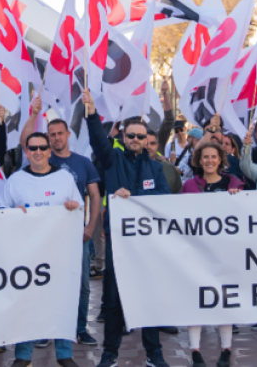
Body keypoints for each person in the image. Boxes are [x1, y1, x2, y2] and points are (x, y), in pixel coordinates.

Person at [84, 90, 172, 367]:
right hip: (118, 245)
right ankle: (109, 354)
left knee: (149, 299)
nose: (135, 140)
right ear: (123, 137)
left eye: (140, 136)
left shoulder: (156, 168)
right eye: (130, 135)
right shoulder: (112, 160)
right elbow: (98, 140)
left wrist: (134, 199)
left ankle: (153, 354)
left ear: (147, 140)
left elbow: (164, 197)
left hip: (147, 246)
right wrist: (90, 114)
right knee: (112, 301)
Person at [0, 131, 84, 367]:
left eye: (42, 148)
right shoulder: (15, 180)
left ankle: (64, 353)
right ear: (26, 152)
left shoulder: (65, 178)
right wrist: (11, 213)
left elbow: (80, 207)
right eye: (32, 148)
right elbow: (0, 212)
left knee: (60, 301)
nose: (37, 152)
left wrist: (74, 206)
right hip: (25, 254)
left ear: (49, 151)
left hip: (59, 253)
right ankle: (23, 355)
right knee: (26, 302)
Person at [36, 105, 103, 348]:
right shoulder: (41, 160)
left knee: (82, 283)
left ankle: (80, 328)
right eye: (51, 134)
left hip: (76, 235)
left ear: (67, 135)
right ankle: (45, 329)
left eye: (59, 133)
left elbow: (95, 196)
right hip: (47, 236)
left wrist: (90, 226)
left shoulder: (83, 163)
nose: (56, 138)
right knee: (46, 281)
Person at [181, 140, 242, 367]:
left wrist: (238, 198)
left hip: (225, 253)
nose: (209, 161)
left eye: (213, 157)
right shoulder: (188, 186)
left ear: (220, 160)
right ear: (199, 160)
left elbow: (244, 214)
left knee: (224, 300)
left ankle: (226, 349)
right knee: (195, 300)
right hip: (196, 253)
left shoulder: (233, 183)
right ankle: (195, 351)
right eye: (205, 157)